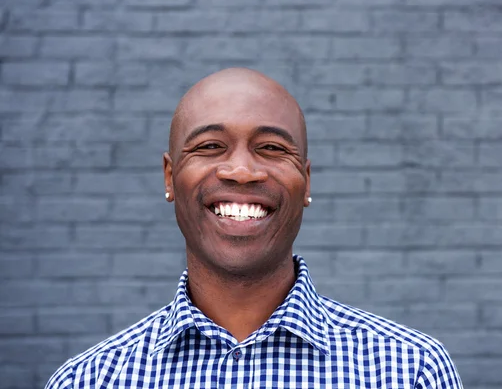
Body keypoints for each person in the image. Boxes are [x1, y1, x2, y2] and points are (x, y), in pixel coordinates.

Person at [46, 68, 463, 388]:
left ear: (306, 183)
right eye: (210, 146)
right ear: (170, 178)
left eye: (272, 149)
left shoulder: (410, 371)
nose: (242, 171)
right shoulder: (89, 379)